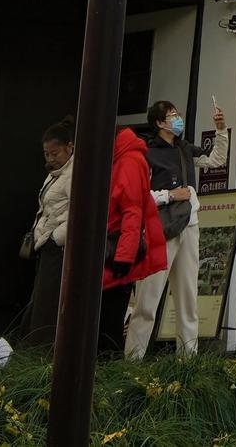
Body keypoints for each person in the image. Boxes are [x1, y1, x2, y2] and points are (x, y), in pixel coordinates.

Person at [125, 97, 228, 358]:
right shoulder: (147, 153)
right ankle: (133, 361)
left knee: (187, 296)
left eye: (177, 114)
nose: (177, 118)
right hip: (160, 228)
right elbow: (138, 196)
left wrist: (220, 130)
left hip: (189, 225)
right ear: (160, 122)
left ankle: (188, 361)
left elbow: (216, 160)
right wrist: (170, 195)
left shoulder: (184, 149)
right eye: (172, 115)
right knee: (147, 299)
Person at [100, 126, 166, 354]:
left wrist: (123, 257)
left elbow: (132, 212)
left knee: (108, 322)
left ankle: (107, 378)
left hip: (115, 249)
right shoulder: (123, 157)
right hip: (116, 246)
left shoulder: (128, 160)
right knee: (106, 320)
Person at [23, 119, 74, 349]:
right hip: (45, 242)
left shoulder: (74, 173)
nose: (51, 159)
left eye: (55, 153)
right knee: (39, 300)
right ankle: (31, 348)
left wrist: (56, 238)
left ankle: (40, 352)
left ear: (69, 147)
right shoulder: (55, 173)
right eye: (46, 154)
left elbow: (78, 211)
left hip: (57, 245)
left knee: (47, 302)